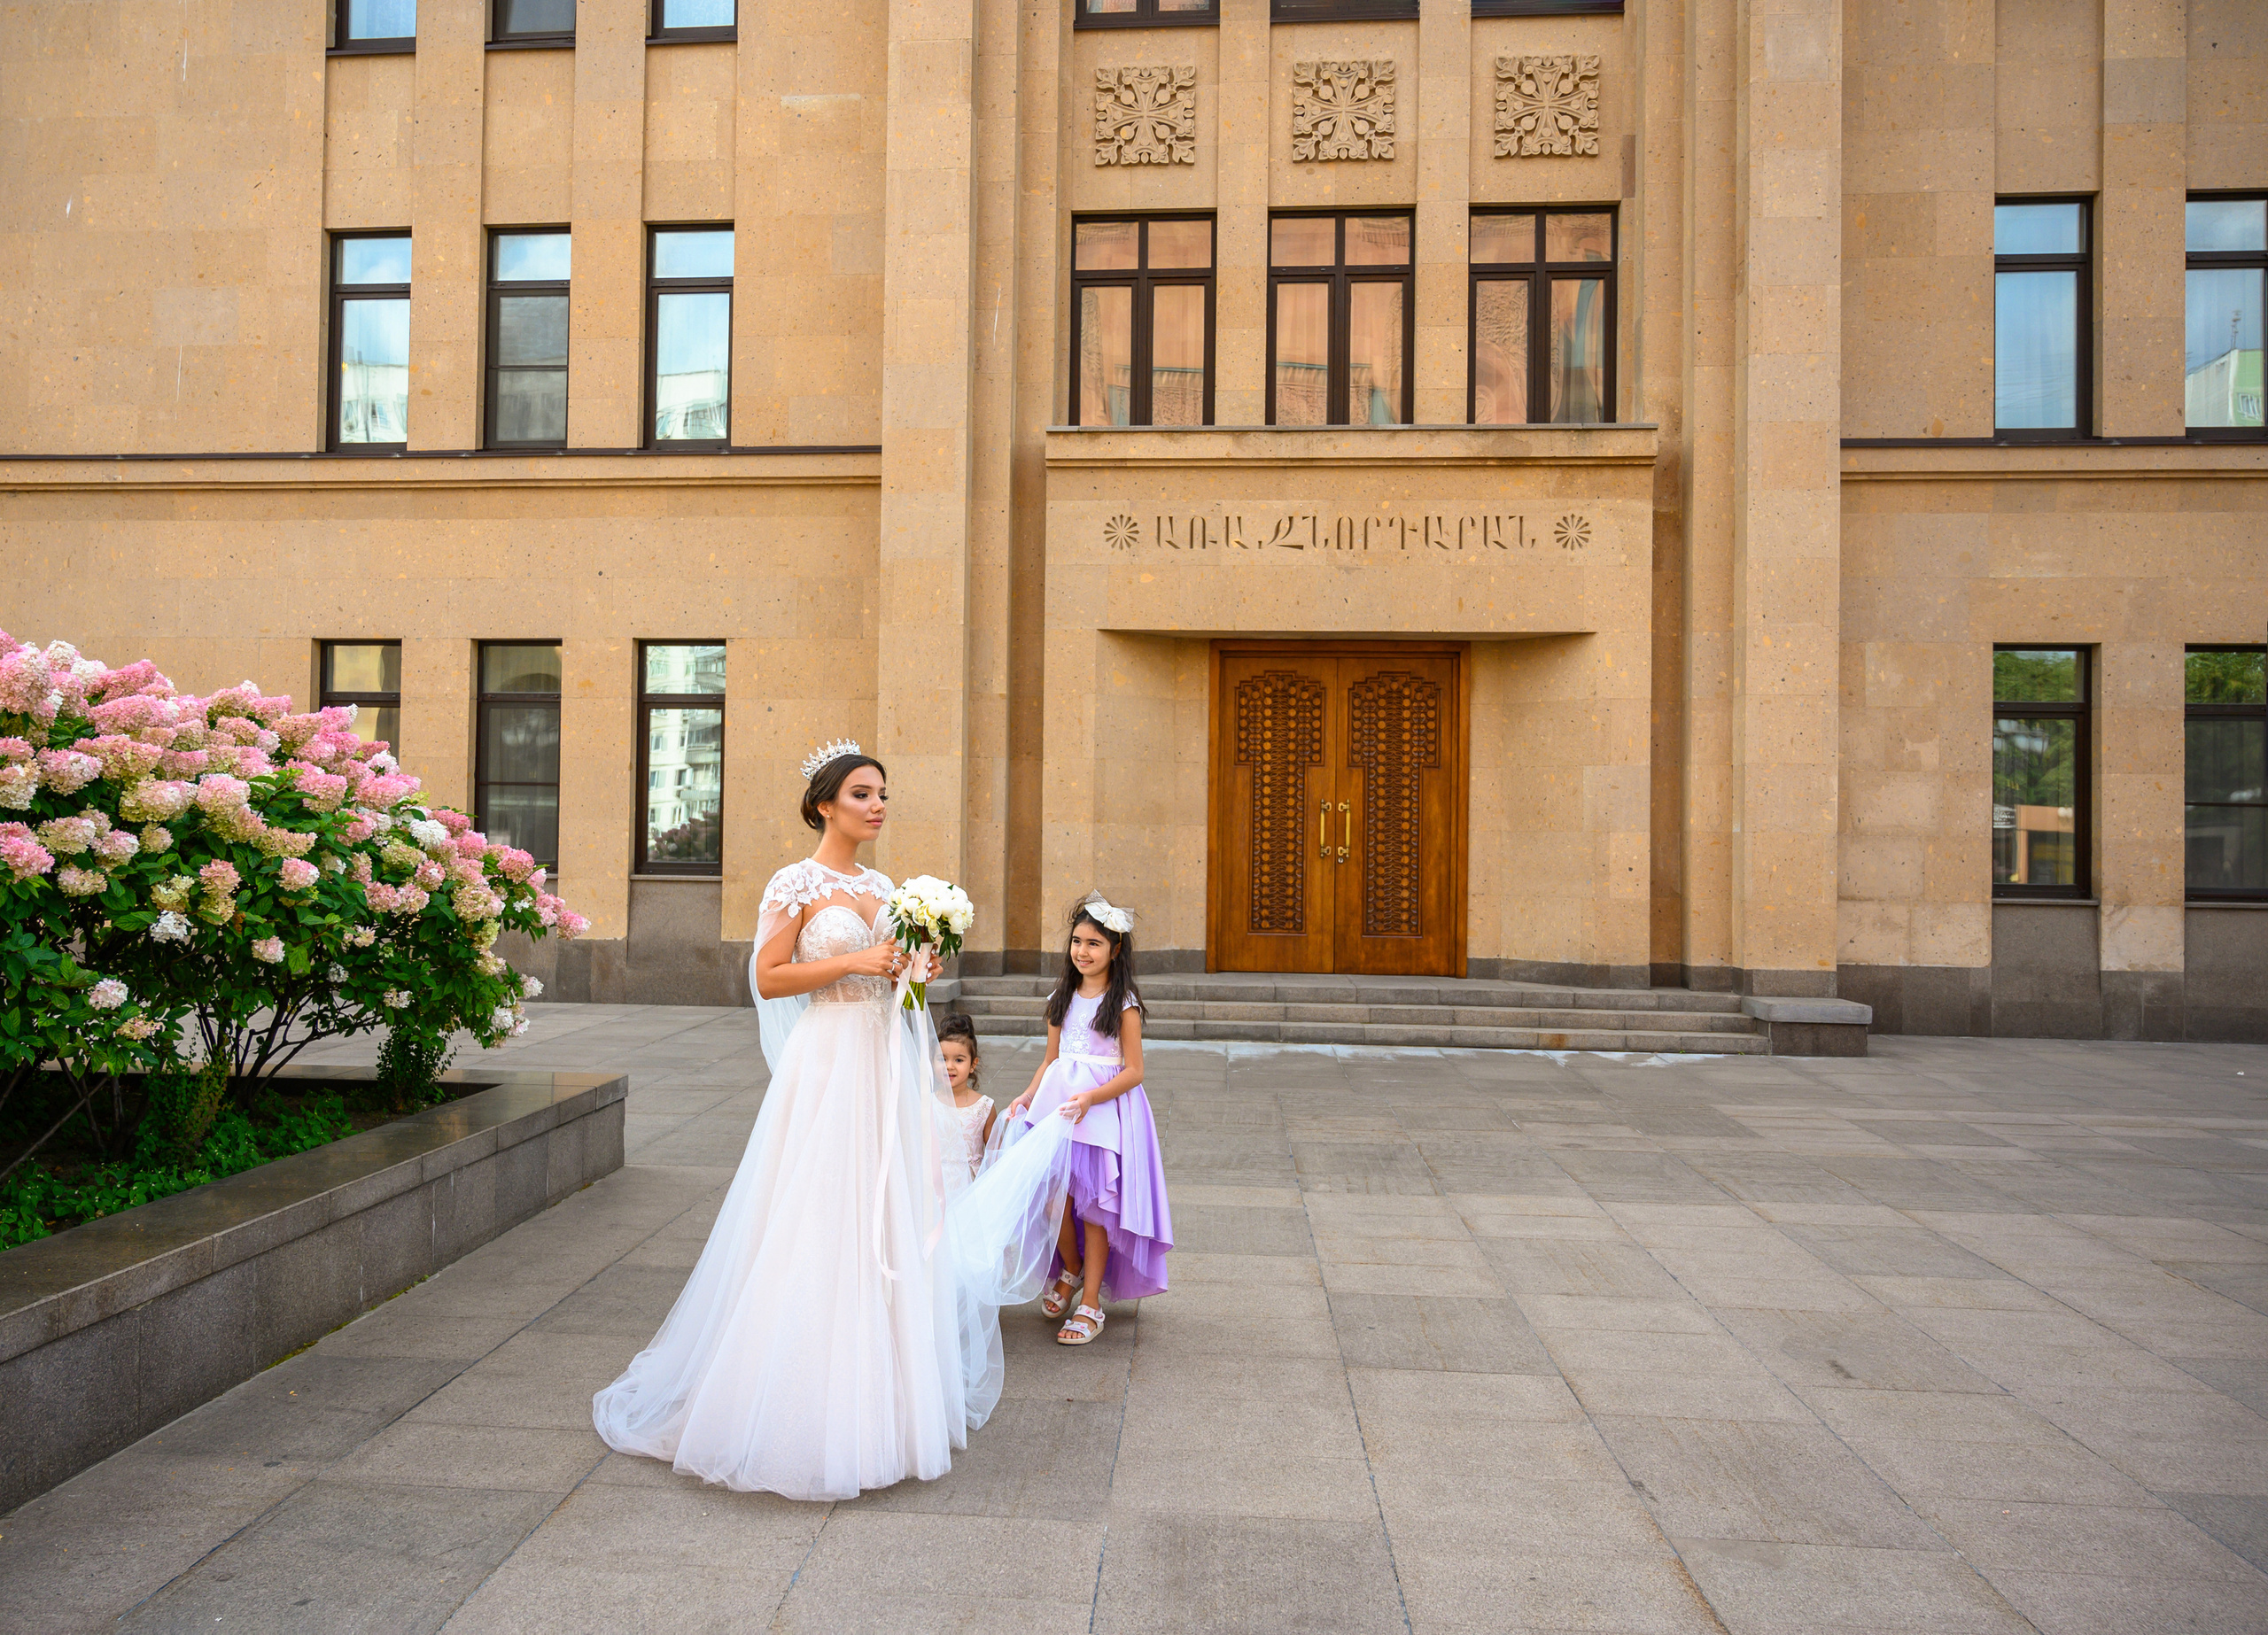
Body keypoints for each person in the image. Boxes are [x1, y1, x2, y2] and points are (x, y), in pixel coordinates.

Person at [590, 742, 996, 1500]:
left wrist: (913, 972)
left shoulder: (886, 888)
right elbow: (768, 979)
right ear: (824, 805)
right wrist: (854, 962)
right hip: (829, 1062)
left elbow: (893, 982)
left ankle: (884, 1405)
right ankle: (793, 1410)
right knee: (815, 1213)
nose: (877, 806)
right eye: (861, 795)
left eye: (883, 794)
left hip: (879, 1065)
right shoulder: (795, 882)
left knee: (877, 1219)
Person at [1005, 897, 1174, 1346]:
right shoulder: (1061, 997)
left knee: (1095, 1207)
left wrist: (1091, 1098)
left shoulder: (1124, 1004)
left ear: (1115, 950)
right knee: (1052, 1198)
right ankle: (1071, 1267)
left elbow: (1134, 1070)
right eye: (1077, 941)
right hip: (1057, 1108)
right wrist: (1026, 1097)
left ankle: (1092, 1301)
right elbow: (1050, 1060)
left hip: (1099, 1111)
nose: (1083, 951)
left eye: (1094, 943)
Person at [936, 1012, 995, 1179]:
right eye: (942, 1059)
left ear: (972, 1064)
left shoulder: (984, 1107)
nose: (949, 1066)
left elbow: (994, 1155)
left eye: (959, 1060)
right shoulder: (927, 1102)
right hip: (935, 1187)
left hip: (971, 1188)